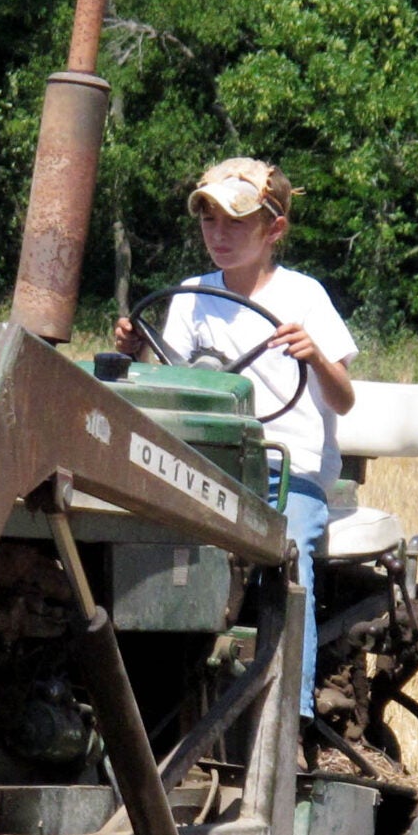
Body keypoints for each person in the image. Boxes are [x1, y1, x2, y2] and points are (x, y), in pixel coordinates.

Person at [113, 156, 355, 718]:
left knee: (285, 553)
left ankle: (288, 718)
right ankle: (143, 700)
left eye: (235, 223)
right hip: (204, 463)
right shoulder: (194, 292)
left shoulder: (304, 297)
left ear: (274, 230)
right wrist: (133, 355)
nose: (218, 235)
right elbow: (176, 381)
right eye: (208, 220)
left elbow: (343, 398)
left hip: (281, 469)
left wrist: (315, 355)